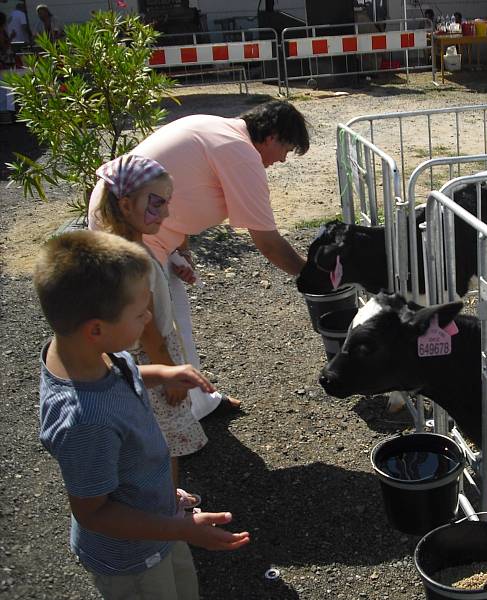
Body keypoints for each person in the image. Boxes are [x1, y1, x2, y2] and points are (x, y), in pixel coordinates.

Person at [35, 230, 250, 598]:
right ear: (96, 329)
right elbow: (94, 513)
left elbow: (124, 372)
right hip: (132, 558)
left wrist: (162, 372)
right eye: (140, 313)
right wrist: (184, 529)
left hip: (161, 522)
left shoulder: (88, 352)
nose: (148, 316)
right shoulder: (85, 420)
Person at [88, 98, 310, 420]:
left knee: (176, 323)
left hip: (125, 221)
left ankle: (197, 402)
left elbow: (178, 186)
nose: (282, 160)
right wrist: (312, 275)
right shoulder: (242, 152)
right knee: (158, 327)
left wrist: (180, 247)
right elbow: (267, 241)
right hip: (132, 234)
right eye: (286, 150)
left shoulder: (213, 126)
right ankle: (171, 418)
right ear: (272, 136)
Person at [93, 154, 208, 495]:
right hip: (150, 358)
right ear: (126, 204)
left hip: (139, 358)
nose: (166, 213)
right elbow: (148, 330)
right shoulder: (134, 261)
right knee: (165, 442)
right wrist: (170, 373)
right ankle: (168, 510)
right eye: (156, 204)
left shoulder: (120, 247)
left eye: (166, 203)